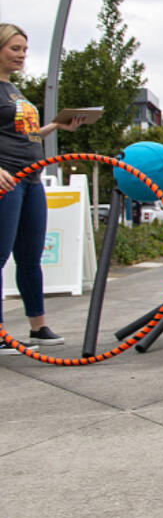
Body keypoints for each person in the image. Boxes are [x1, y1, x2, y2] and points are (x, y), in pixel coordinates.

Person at [0, 23, 84, 354]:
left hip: (32, 180)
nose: (22, 55)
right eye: (14, 49)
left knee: (31, 257)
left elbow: (26, 136)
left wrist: (56, 126)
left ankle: (38, 326)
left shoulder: (13, 91)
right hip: (8, 180)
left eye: (24, 49)